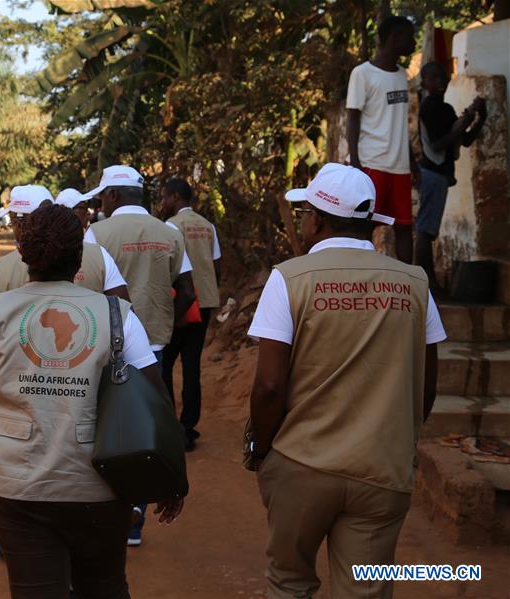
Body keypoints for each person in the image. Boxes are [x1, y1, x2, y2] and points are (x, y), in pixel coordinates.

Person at [0, 203, 182, 599]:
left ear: (23, 255)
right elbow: (157, 402)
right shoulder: (116, 315)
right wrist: (171, 479)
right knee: (104, 587)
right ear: (80, 257)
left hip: (17, 488)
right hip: (101, 485)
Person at [247, 163, 445, 599]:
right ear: (371, 223)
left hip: (300, 464)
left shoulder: (289, 279)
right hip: (381, 470)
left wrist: (263, 450)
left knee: (289, 582)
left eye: (305, 213)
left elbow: (268, 388)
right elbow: (427, 383)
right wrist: (401, 440)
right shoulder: (414, 283)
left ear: (317, 218)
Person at [83, 165, 195, 547]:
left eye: (102, 195)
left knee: (104, 426)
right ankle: (135, 518)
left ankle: (103, 508)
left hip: (105, 346)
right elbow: (189, 289)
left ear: (113, 196)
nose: (100, 201)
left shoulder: (97, 233)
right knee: (147, 425)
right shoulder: (170, 233)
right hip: (154, 348)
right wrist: (168, 326)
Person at [0, 185, 129, 304]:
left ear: (19, 223)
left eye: (13, 220)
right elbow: (122, 313)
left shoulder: (1, 270)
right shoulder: (99, 256)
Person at [346, 15, 418, 264]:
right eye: (410, 36)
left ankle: (407, 285)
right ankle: (358, 282)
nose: (414, 41)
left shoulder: (402, 75)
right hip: (371, 164)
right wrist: (354, 161)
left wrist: (413, 163)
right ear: (394, 38)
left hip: (400, 167)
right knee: (364, 227)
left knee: (404, 228)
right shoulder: (362, 73)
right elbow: (352, 118)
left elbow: (398, 123)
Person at [158, 178, 221, 452]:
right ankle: (189, 426)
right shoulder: (208, 226)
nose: (162, 203)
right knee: (192, 365)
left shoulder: (171, 226)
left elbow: (166, 264)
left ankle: (172, 425)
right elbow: (218, 264)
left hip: (181, 304)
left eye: (164, 197)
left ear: (174, 197)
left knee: (166, 364)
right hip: (205, 302)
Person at [414, 62, 487, 292]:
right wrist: (463, 123)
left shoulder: (444, 109)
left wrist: (478, 118)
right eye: (433, 78)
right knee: (425, 231)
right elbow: (438, 143)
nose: (439, 82)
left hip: (440, 176)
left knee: (427, 230)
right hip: (432, 174)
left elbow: (462, 140)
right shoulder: (429, 107)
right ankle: (428, 283)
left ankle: (428, 282)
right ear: (424, 83)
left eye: (442, 78)